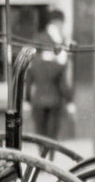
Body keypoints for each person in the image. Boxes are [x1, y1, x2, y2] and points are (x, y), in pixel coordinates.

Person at [24, 8, 72, 142]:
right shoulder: (58, 41)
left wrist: (27, 98)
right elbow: (62, 77)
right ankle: (47, 157)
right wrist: (69, 99)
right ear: (58, 22)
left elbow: (29, 73)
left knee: (41, 134)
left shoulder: (39, 39)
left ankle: (43, 156)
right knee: (51, 135)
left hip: (38, 96)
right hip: (54, 96)